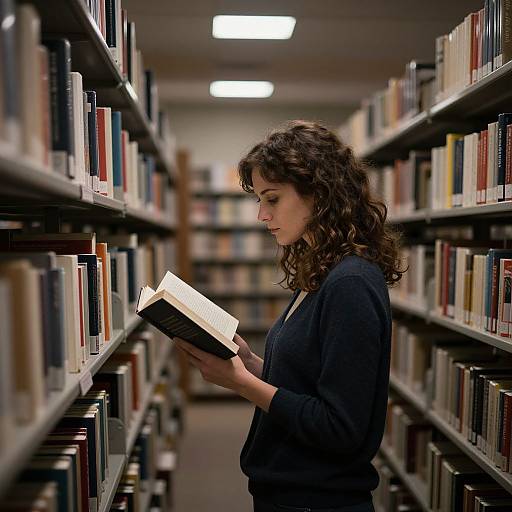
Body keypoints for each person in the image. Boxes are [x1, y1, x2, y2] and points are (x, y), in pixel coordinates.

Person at [175, 120, 404, 512]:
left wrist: (242, 384)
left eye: (273, 199)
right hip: (291, 493)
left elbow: (339, 427)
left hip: (319, 501)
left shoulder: (350, 283)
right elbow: (310, 385)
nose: (262, 215)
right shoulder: (322, 272)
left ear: (318, 193)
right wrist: (252, 364)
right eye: (259, 200)